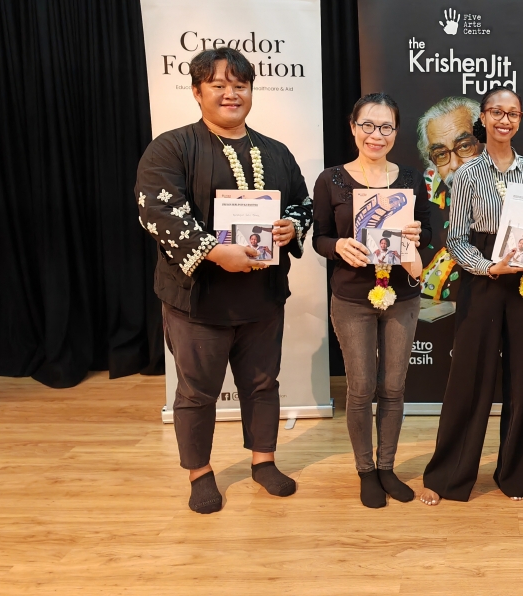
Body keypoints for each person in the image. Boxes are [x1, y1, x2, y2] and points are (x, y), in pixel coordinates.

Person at [134, 47, 313, 514]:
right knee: (196, 390)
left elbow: (301, 203)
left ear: (252, 91)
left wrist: (292, 225)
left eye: (240, 85)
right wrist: (214, 250)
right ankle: (200, 473)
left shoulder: (275, 151)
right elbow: (157, 210)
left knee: (262, 384)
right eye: (219, 85)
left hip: (262, 297)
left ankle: (263, 461)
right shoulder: (171, 147)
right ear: (197, 92)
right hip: (198, 299)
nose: (231, 93)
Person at [419, 87, 523, 506]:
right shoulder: (465, 175)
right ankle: (448, 477)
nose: (504, 120)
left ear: (519, 120)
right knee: (470, 379)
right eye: (496, 112)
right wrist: (485, 267)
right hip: (483, 281)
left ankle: (515, 476)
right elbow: (457, 238)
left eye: (512, 113)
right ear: (482, 118)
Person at [313, 92, 431, 509]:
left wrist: (418, 242)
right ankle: (365, 470)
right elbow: (320, 237)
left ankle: (387, 466)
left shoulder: (412, 180)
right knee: (361, 388)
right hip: (351, 299)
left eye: (385, 127)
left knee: (394, 387)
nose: (375, 135)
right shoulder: (332, 180)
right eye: (368, 125)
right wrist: (337, 247)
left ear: (396, 132)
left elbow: (429, 234)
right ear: (352, 127)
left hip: (403, 296)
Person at [415, 97, 483, 305]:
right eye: (441, 154)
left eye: (464, 146)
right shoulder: (420, 205)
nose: (455, 164)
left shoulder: (516, 187)